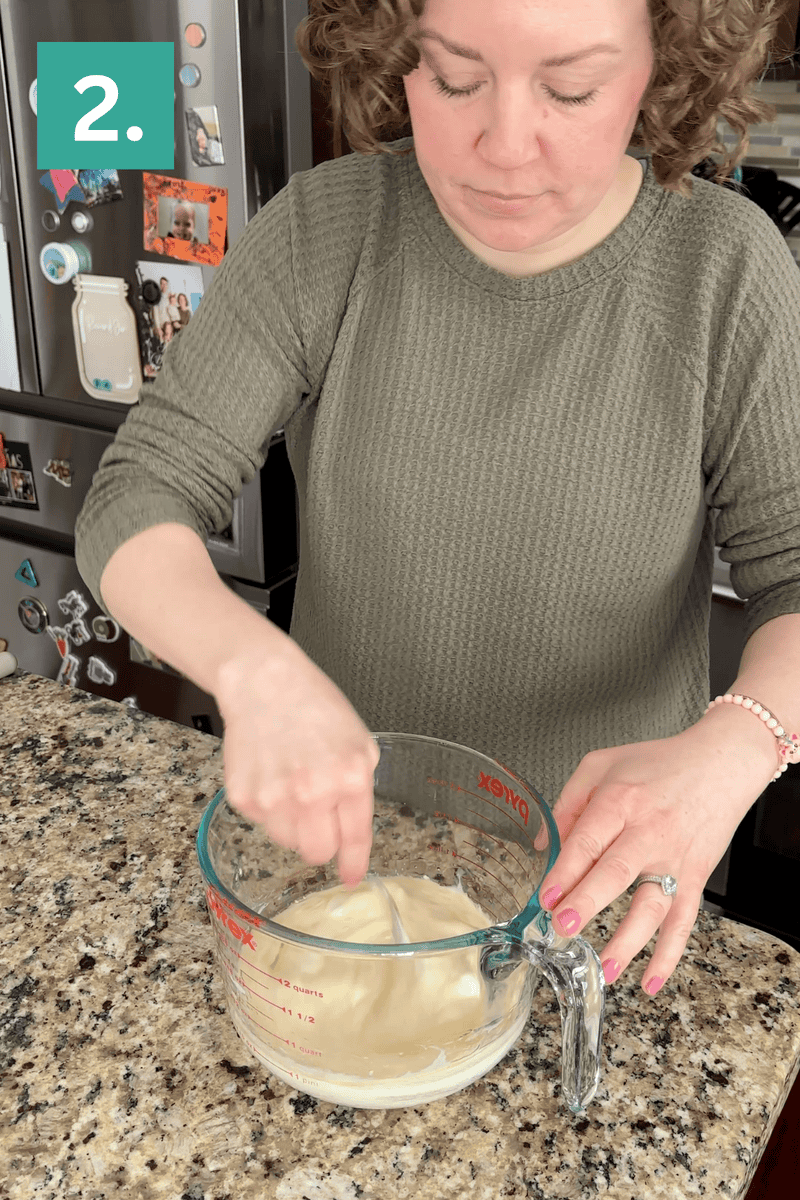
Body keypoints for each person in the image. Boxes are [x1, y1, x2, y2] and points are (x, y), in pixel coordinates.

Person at [75, 0, 800, 997]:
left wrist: (737, 743)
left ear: (663, 69)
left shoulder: (724, 268)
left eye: (569, 88)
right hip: (345, 873)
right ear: (392, 54)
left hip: (596, 897)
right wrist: (249, 671)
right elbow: (136, 492)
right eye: (452, 78)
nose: (502, 144)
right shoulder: (326, 231)